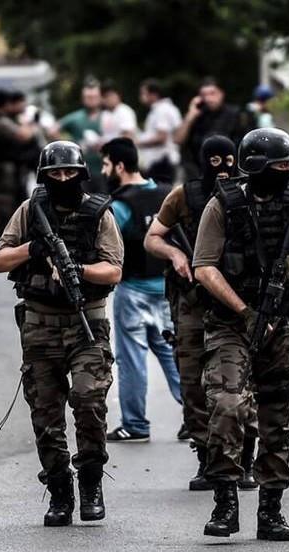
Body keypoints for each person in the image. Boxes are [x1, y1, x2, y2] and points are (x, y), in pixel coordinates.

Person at [193, 128, 289, 540]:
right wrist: (243, 311)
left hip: (281, 324)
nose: (287, 171)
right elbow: (204, 267)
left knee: (277, 420)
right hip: (230, 323)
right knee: (227, 407)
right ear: (257, 167)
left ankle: (271, 510)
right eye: (280, 165)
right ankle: (225, 502)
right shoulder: (223, 204)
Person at [0, 141, 123, 527]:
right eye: (55, 174)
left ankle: (91, 482)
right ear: (43, 176)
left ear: (81, 175)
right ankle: (60, 489)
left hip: (87, 325)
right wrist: (34, 249)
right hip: (40, 326)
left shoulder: (99, 213)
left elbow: (114, 270)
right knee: (46, 415)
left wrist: (76, 270)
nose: (62, 179)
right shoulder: (29, 210)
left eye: (69, 173)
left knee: (89, 401)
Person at [144, 135, 258, 491]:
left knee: (243, 381)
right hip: (192, 302)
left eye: (229, 161)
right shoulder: (183, 195)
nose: (223, 169)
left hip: (236, 299)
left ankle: (245, 459)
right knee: (193, 380)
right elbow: (153, 237)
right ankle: (207, 457)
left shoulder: (249, 192)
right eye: (215, 161)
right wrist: (176, 255)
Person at [98, 138, 181, 443]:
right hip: (168, 289)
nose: (104, 171)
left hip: (133, 290)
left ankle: (134, 424)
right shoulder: (167, 194)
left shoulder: (119, 205)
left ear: (119, 166)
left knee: (132, 359)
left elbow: (105, 245)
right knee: (173, 354)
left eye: (106, 164)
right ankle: (197, 415)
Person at [0, 89, 42, 251]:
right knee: (5, 214)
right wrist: (33, 123)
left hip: (4, 176)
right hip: (3, 177)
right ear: (7, 104)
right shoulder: (1, 121)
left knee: (9, 211)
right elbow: (24, 135)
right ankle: (1, 250)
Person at [174, 77, 257, 179]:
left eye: (212, 93)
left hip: (229, 175)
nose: (208, 98)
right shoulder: (197, 116)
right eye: (204, 95)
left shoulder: (235, 114)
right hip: (199, 175)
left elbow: (248, 145)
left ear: (221, 94)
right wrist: (190, 116)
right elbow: (178, 140)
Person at [53, 79, 105, 192]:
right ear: (83, 98)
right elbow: (53, 130)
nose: (91, 100)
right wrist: (68, 147)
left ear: (100, 97)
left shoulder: (108, 117)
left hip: (105, 170)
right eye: (88, 97)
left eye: (94, 97)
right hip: (81, 171)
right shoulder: (76, 118)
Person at [137, 78, 182, 185]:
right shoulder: (163, 109)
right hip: (161, 163)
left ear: (153, 95)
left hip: (162, 162)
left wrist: (138, 142)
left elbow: (162, 137)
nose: (141, 97)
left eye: (144, 93)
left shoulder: (161, 110)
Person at [99, 80, 138, 144]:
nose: (108, 99)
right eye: (105, 96)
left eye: (111, 95)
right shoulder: (104, 114)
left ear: (118, 96)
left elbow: (128, 136)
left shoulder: (125, 111)